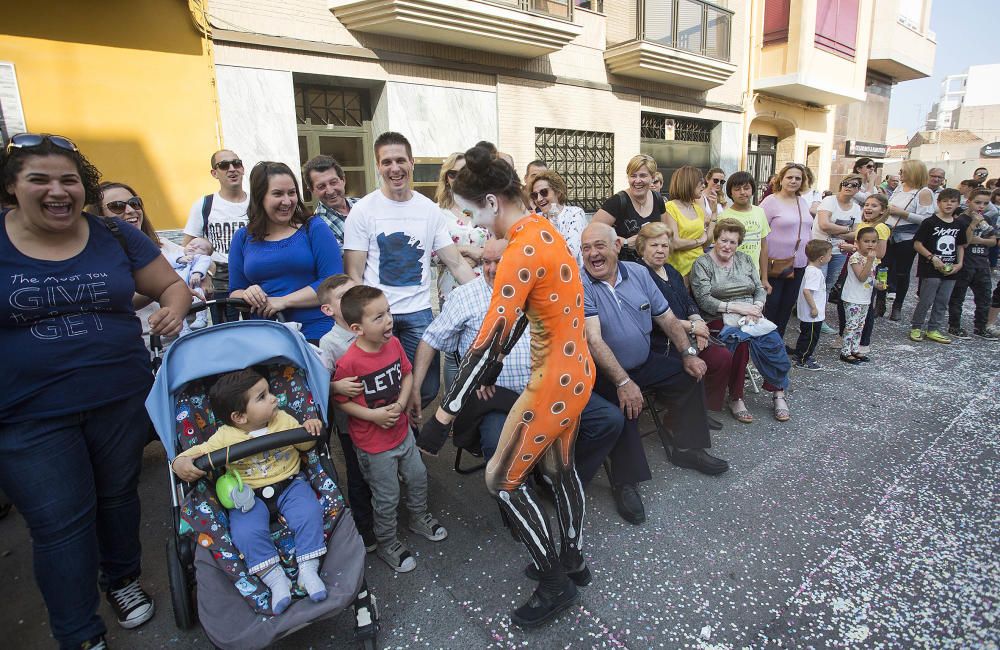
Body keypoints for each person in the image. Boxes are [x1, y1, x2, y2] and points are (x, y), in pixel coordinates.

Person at [0, 134, 189, 649]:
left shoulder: (113, 234)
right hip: (27, 414)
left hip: (118, 398)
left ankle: (123, 580)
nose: (57, 191)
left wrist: (173, 306)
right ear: (13, 187)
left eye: (68, 180)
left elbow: (171, 285)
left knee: (117, 500)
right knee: (60, 524)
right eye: (39, 179)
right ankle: (79, 631)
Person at [415, 143, 591, 627]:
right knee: (559, 468)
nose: (475, 225)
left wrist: (442, 416)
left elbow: (489, 337)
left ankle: (554, 584)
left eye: (473, 212)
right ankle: (573, 558)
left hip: (552, 380)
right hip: (577, 373)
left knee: (502, 481)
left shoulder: (519, 247)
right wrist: (488, 374)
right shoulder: (543, 230)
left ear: (493, 201)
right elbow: (517, 321)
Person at [411, 239, 623, 486]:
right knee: (498, 447)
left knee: (608, 420)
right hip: (496, 399)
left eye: (498, 261)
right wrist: (416, 386)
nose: (490, 269)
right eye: (485, 262)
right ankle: (518, 509)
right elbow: (430, 339)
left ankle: (558, 480)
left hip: (548, 391)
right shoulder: (465, 296)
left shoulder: (540, 291)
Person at [582, 222, 728, 524]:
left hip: (643, 360)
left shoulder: (637, 273)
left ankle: (687, 448)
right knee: (624, 406)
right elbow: (594, 340)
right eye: (585, 248)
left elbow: (667, 318)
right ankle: (625, 481)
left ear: (617, 246)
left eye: (599, 246)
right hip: (606, 372)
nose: (592, 254)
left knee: (689, 375)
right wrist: (623, 381)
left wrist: (687, 352)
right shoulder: (581, 283)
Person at [170, 370, 328, 613]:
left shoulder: (283, 420)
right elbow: (197, 452)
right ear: (240, 417)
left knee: (309, 512)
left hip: (290, 484)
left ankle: (308, 569)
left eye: (270, 392)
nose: (274, 399)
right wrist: (180, 463)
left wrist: (310, 428)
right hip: (248, 495)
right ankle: (276, 580)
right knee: (245, 532)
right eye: (263, 397)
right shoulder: (225, 437)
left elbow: (305, 444)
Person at [342, 132, 476, 407]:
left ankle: (406, 433)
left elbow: (455, 262)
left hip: (419, 314)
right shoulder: (363, 210)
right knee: (383, 389)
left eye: (400, 160)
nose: (395, 168)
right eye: (387, 161)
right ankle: (399, 442)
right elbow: (354, 275)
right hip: (377, 314)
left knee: (426, 389)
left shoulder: (428, 210)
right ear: (378, 166)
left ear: (412, 162)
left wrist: (487, 297)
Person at [333, 286, 448, 572]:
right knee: (387, 496)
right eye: (379, 317)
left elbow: (406, 373)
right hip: (373, 445)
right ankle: (386, 542)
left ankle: (418, 518)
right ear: (357, 328)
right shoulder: (349, 362)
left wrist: (400, 402)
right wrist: (372, 416)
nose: (389, 321)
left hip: (402, 433)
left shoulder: (394, 344)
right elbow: (341, 401)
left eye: (388, 313)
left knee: (418, 477)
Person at [228, 162, 343, 345]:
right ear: (260, 197)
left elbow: (333, 284)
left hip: (316, 331)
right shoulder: (242, 238)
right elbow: (234, 292)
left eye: (292, 192)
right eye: (277, 194)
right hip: (265, 335)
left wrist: (283, 301)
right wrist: (247, 294)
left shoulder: (314, 228)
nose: (287, 201)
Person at [691, 218, 791, 422]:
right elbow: (704, 300)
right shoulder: (703, 263)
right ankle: (736, 397)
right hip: (719, 316)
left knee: (773, 340)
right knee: (741, 342)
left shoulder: (745, 260)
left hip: (751, 314)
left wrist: (757, 307)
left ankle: (778, 392)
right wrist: (737, 307)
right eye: (723, 240)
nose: (727, 246)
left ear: (739, 244)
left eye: (733, 242)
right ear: (716, 239)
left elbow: (759, 289)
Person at [92, 181, 212, 347]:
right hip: (146, 345)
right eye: (117, 206)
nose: (130, 210)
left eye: (135, 203)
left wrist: (204, 276)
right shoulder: (97, 258)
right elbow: (115, 300)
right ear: (98, 215)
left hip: (187, 341)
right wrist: (167, 287)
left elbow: (200, 258)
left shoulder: (161, 243)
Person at [635, 222, 732, 420]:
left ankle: (702, 410)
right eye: (654, 245)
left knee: (722, 357)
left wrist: (698, 324)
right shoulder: (638, 275)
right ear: (642, 247)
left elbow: (687, 301)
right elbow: (649, 318)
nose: (661, 250)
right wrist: (692, 327)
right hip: (661, 340)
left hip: (689, 333)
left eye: (664, 245)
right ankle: (677, 419)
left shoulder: (671, 270)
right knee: (689, 369)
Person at [316, 274, 376, 553]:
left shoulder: (374, 326)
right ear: (328, 310)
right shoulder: (329, 343)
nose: (354, 299)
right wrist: (335, 385)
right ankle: (365, 526)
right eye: (344, 297)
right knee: (358, 472)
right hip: (351, 423)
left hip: (383, 412)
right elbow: (318, 385)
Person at [434, 152, 490, 391]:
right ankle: (452, 408)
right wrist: (472, 251)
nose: (458, 178)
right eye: (453, 174)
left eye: (464, 172)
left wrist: (459, 251)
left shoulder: (486, 207)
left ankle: (479, 401)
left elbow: (498, 243)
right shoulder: (437, 213)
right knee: (453, 350)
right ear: (447, 179)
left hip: (486, 283)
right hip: (452, 286)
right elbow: (433, 253)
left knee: (482, 343)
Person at [183, 149, 249, 323]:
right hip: (219, 276)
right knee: (226, 331)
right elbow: (188, 246)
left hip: (252, 272)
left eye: (237, 163)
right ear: (214, 173)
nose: (232, 169)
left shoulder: (257, 203)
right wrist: (202, 275)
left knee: (259, 327)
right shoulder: (204, 204)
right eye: (224, 165)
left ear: (243, 168)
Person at [761, 163, 814, 338]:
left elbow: (807, 229)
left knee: (787, 306)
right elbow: (761, 232)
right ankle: (766, 343)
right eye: (789, 177)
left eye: (798, 178)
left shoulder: (802, 201)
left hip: (799, 263)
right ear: (781, 179)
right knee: (772, 306)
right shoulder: (771, 201)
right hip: (775, 263)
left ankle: (778, 341)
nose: (793, 181)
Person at [909, 188, 966, 344]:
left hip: (951, 268)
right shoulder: (930, 222)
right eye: (945, 201)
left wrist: (959, 264)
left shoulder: (959, 224)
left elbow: (960, 245)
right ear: (939, 202)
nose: (949, 204)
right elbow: (917, 244)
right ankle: (917, 326)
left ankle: (933, 328)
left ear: (958, 204)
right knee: (926, 299)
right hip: (930, 268)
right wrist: (932, 257)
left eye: (953, 201)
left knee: (943, 300)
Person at [885, 159, 935, 321]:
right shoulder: (899, 188)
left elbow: (927, 219)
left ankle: (897, 306)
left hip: (907, 237)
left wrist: (902, 214)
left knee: (902, 273)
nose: (900, 174)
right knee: (883, 269)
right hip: (888, 233)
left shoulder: (924, 192)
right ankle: (880, 301)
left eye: (903, 171)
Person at [592, 153, 665, 258]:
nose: (637, 180)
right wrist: (624, 242)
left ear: (652, 177)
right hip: (623, 269)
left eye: (643, 175)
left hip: (652, 267)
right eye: (633, 176)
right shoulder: (617, 201)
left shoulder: (658, 199)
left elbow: (666, 233)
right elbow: (592, 232)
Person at [948, 188, 998, 340]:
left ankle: (981, 326)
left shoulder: (987, 220)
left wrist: (981, 240)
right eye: (977, 203)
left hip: (982, 262)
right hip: (966, 263)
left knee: (984, 297)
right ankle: (954, 325)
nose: (981, 207)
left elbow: (993, 241)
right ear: (969, 202)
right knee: (958, 297)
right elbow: (965, 243)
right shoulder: (960, 220)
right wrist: (973, 225)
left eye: (985, 204)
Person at [847, 195, 891, 353]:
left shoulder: (880, 228)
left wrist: (852, 249)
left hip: (869, 268)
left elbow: (880, 253)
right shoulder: (864, 224)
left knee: (865, 305)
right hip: (858, 265)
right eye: (866, 204)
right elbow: (857, 242)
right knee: (850, 303)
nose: (868, 208)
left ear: (883, 210)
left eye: (874, 205)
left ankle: (863, 343)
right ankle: (850, 340)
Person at [722, 171, 771, 294]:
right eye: (737, 189)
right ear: (730, 193)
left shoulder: (760, 212)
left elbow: (763, 247)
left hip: (755, 275)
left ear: (752, 190)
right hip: (732, 276)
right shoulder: (724, 216)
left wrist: (764, 278)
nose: (742, 192)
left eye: (746, 188)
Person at [839, 227, 884, 363]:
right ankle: (845, 351)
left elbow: (870, 278)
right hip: (852, 297)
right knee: (851, 325)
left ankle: (855, 349)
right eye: (866, 241)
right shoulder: (855, 258)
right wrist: (870, 261)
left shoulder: (873, 259)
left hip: (865, 297)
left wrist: (877, 284)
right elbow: (861, 277)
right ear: (857, 243)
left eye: (874, 241)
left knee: (860, 325)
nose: (870, 244)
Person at [528, 170, 586, 266]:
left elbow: (571, 253)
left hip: (572, 277)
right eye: (535, 195)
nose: (539, 199)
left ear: (558, 192)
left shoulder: (574, 213)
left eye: (544, 192)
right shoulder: (535, 219)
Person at [791, 240, 833, 370]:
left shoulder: (810, 270)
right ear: (821, 258)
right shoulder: (815, 272)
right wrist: (814, 307)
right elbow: (807, 290)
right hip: (813, 314)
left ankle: (799, 354)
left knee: (805, 334)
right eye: (830, 254)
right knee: (810, 338)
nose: (831, 257)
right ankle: (803, 359)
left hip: (808, 313)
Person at [663, 165, 709, 281]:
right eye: (700, 182)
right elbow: (675, 243)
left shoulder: (698, 208)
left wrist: (713, 215)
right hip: (680, 271)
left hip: (701, 269)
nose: (704, 186)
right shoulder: (670, 207)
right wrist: (699, 241)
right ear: (689, 183)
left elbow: (707, 240)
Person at [303, 154, 358, 248]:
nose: (330, 191)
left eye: (333, 182)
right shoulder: (319, 226)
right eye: (321, 186)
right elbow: (347, 261)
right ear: (312, 191)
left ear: (343, 180)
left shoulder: (362, 204)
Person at [169, 237, 213, 332]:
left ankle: (201, 318)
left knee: (199, 294)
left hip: (193, 288)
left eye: (200, 248)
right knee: (177, 309)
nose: (193, 248)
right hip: (177, 291)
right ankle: (183, 329)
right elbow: (168, 262)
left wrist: (197, 273)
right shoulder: (178, 255)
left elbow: (204, 263)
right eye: (191, 244)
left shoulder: (201, 258)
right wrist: (180, 259)